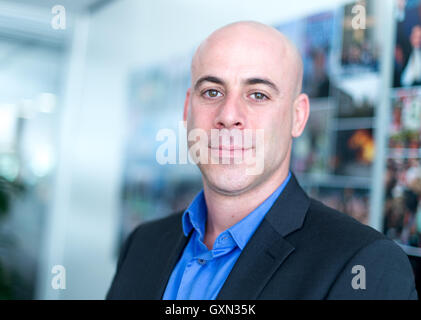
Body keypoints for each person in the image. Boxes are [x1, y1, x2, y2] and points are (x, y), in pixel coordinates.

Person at [106, 21, 418, 300]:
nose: (228, 116)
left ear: (298, 117)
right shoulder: (142, 243)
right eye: (212, 92)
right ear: (188, 110)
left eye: (258, 95)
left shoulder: (364, 265)